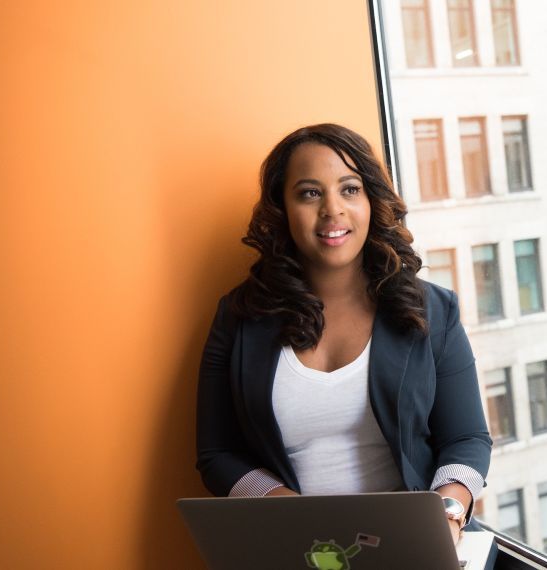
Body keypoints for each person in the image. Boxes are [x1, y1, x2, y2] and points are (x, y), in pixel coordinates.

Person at [195, 124, 492, 547]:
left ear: (371, 200)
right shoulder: (239, 318)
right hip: (300, 549)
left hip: (415, 545)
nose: (332, 209)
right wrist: (289, 511)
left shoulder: (434, 311)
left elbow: (467, 439)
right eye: (310, 193)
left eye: (349, 189)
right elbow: (216, 454)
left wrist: (447, 515)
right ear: (283, 207)